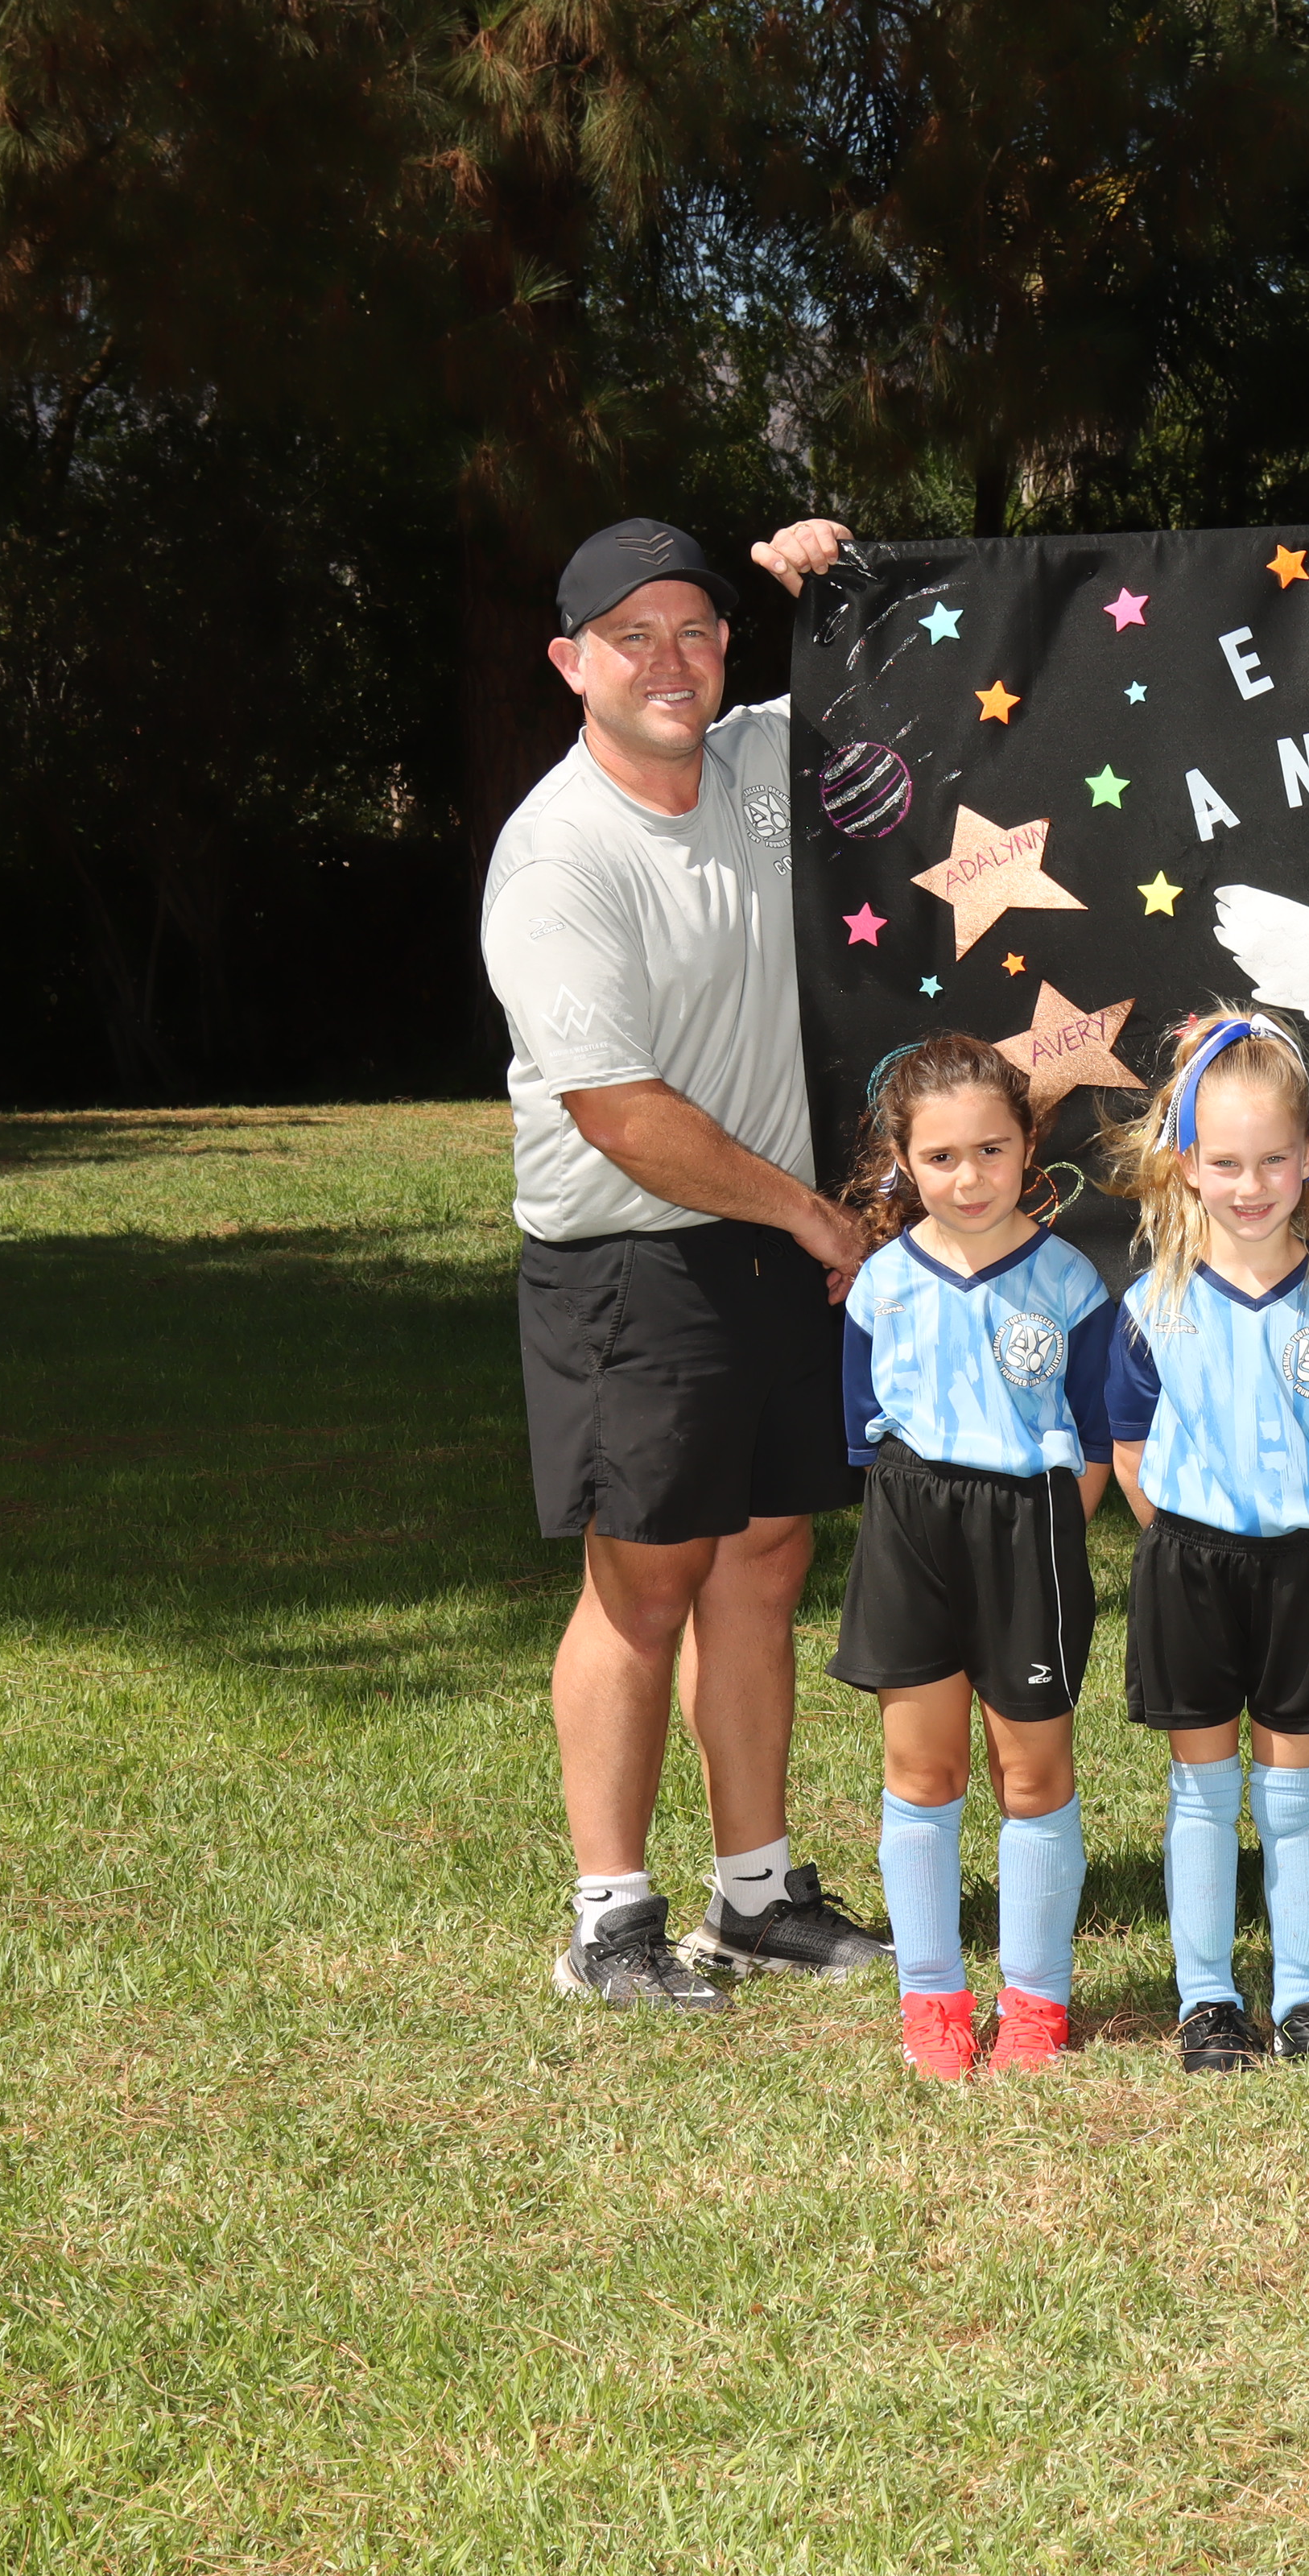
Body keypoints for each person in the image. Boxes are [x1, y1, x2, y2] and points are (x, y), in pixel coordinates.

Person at [483, 514, 890, 2009]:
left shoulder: (758, 766)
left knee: (764, 1562)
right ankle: (609, 1923)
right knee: (643, 1585)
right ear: (570, 662)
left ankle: (755, 1895)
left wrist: (823, 577)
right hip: (632, 1262)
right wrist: (813, 1218)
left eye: (697, 629)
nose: (671, 659)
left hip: (770, 1244)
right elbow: (621, 1114)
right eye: (632, 635)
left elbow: (906, 684)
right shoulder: (559, 856)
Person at [1099, 1007, 1309, 2074]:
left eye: (1274, 1158)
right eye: (1225, 1162)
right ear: (1186, 1163)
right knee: (1204, 1792)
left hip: (1306, 1569)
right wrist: (1197, 1540)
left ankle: (1307, 1996)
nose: (1252, 1183)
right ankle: (1208, 2002)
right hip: (1189, 1564)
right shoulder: (1154, 1304)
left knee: (1294, 1796)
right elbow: (1130, 1452)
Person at [828, 1033, 1115, 2079]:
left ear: (1029, 1143)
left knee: (1031, 1773)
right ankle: (932, 1999)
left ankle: (1035, 2000)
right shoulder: (878, 1286)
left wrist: (1047, 1537)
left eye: (991, 1150)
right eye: (941, 1156)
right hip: (911, 1527)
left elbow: (1095, 1438)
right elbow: (865, 1431)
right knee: (922, 1768)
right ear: (904, 1161)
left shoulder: (1072, 1282)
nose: (969, 1176)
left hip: (1028, 1525)